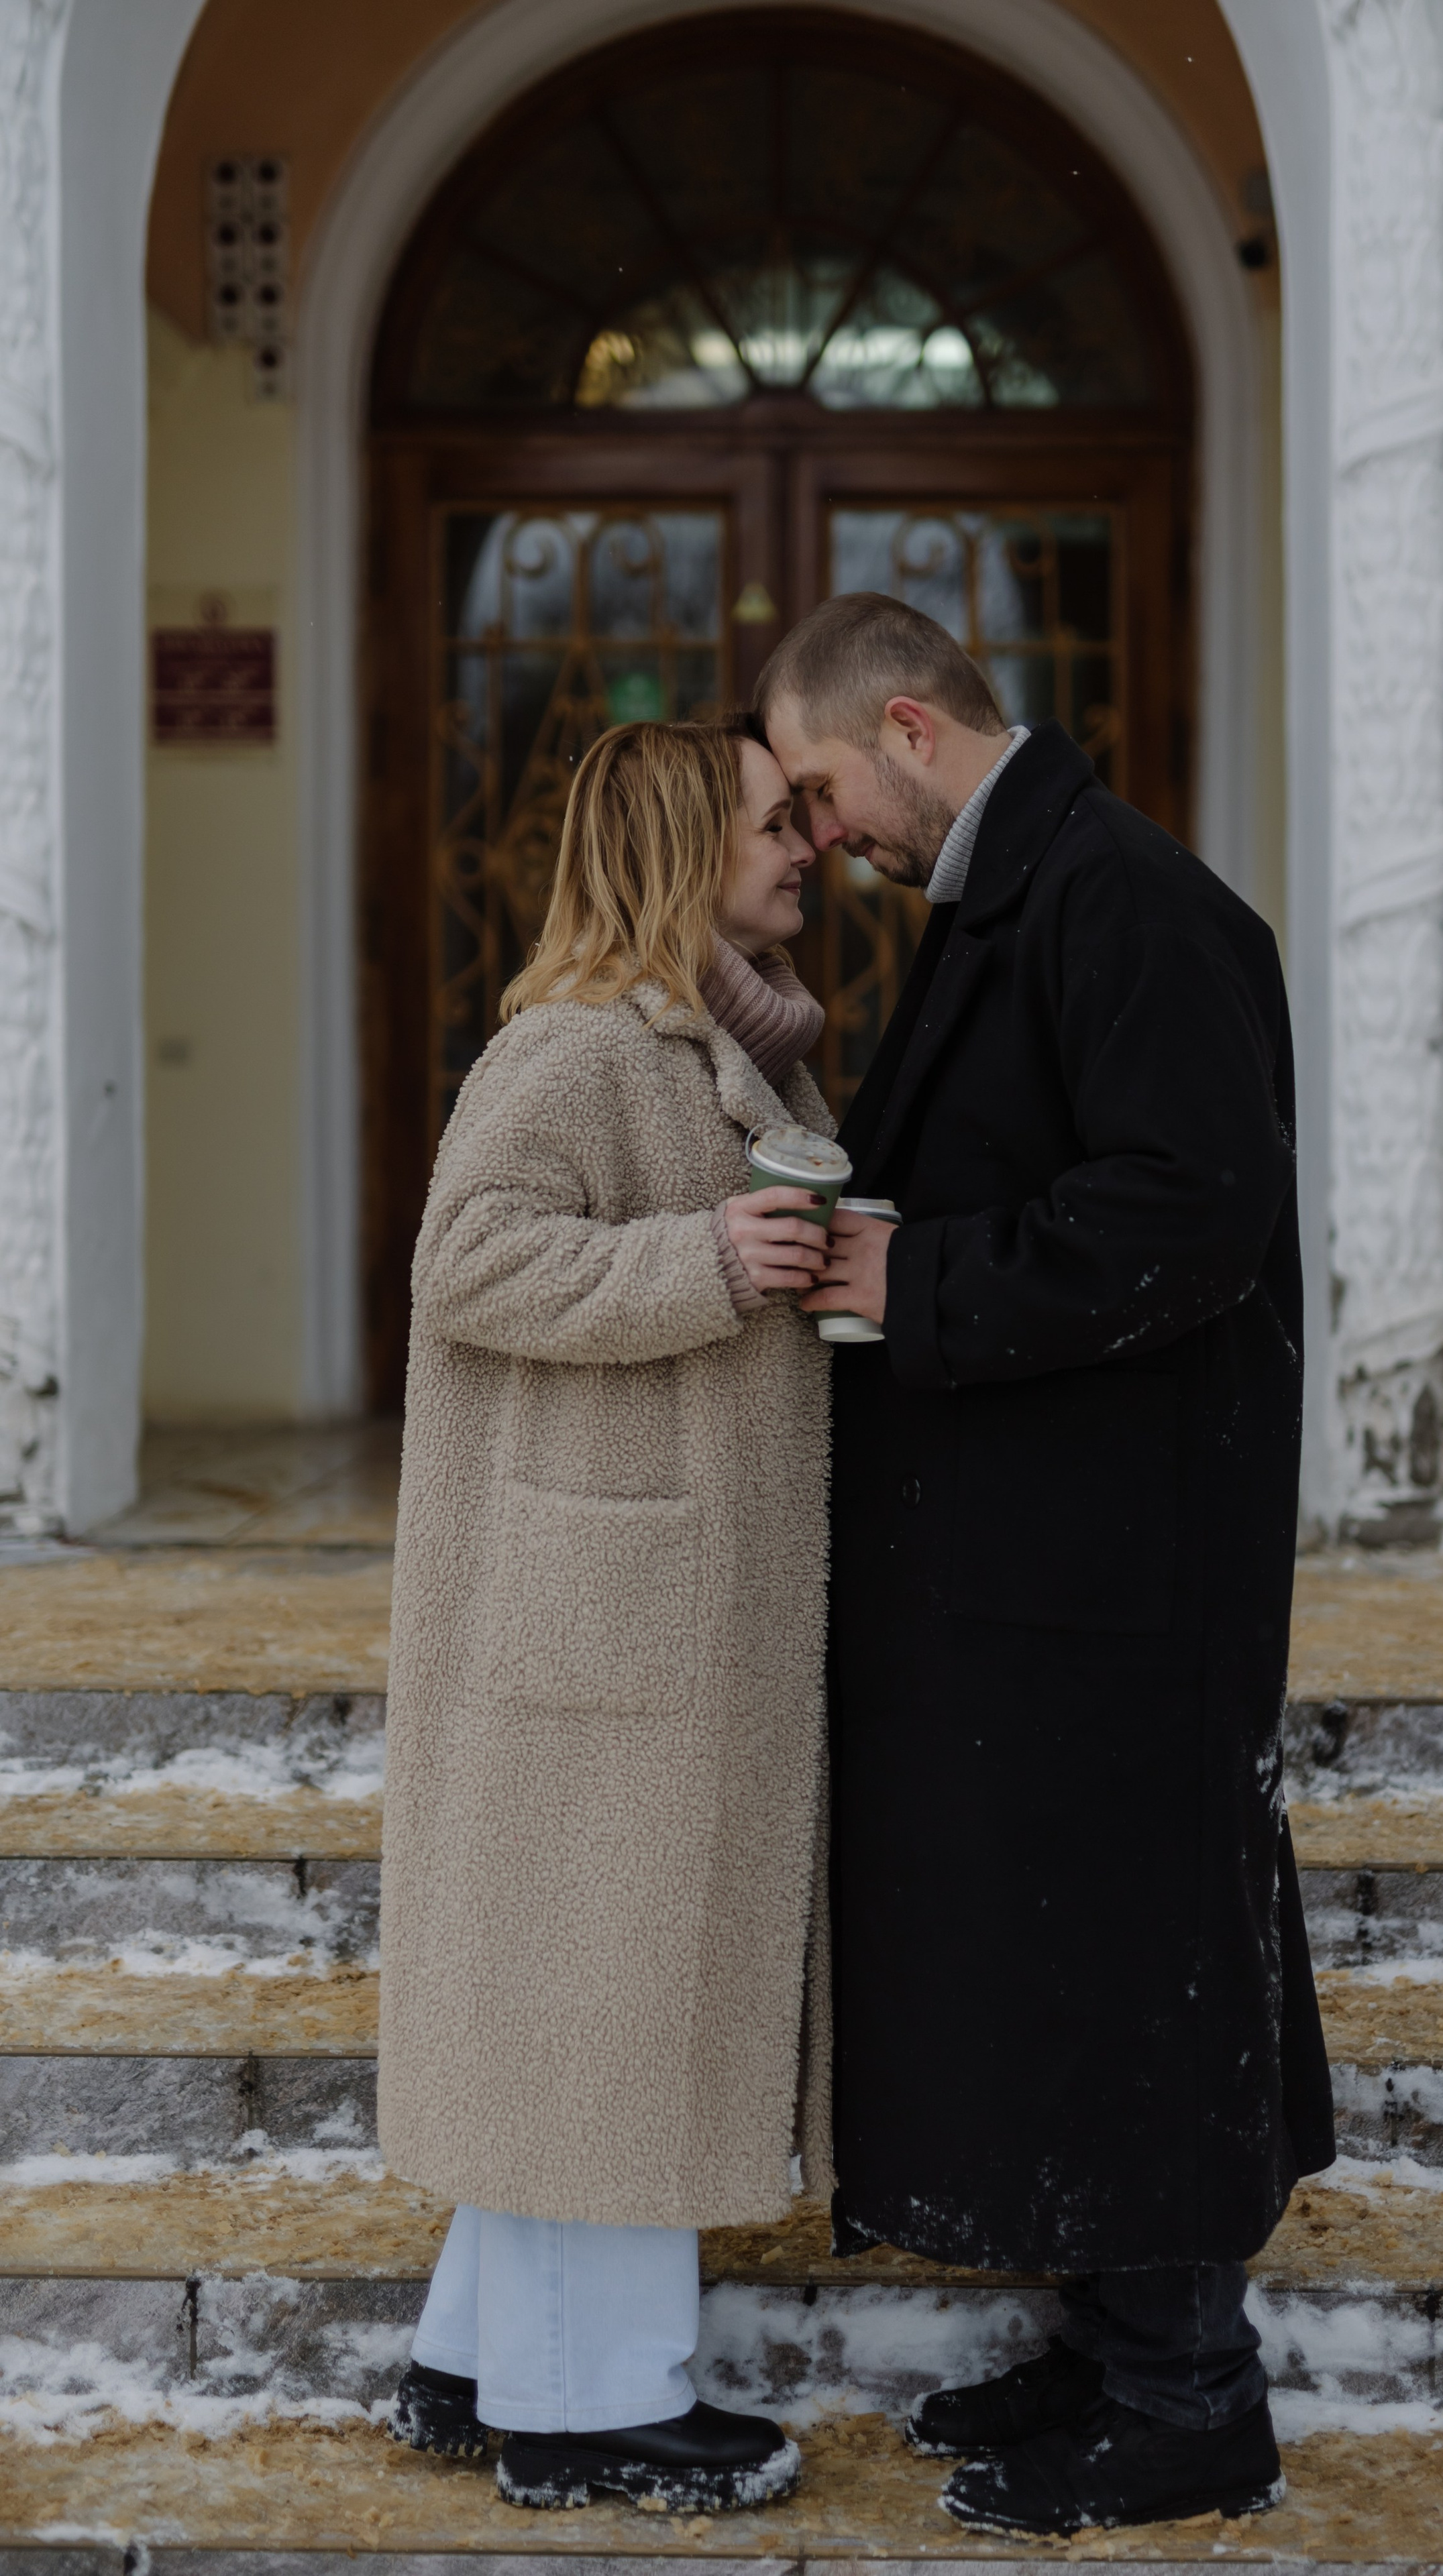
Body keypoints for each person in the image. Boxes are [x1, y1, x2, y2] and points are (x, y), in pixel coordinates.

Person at [758, 595, 1335, 2538]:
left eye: (830, 790)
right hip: (1052, 1565)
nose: (827, 835)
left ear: (909, 724)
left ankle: (1190, 2395)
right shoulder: (1034, 894)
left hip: (1125, 1579)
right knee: (1066, 1958)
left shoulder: (1132, 900)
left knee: (1126, 1966)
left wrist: (912, 1272)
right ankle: (1108, 2346)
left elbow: (1195, 1205)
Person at [377, 714, 840, 2514]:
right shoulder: (573, 1046)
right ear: (673, 847)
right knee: (610, 2002)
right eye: (766, 821)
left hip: (660, 1610)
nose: (801, 844)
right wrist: (707, 1264)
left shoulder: (732, 1055)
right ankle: (588, 2410)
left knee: (593, 1985)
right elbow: (467, 1256)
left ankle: (471, 2353)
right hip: (600, 1622)